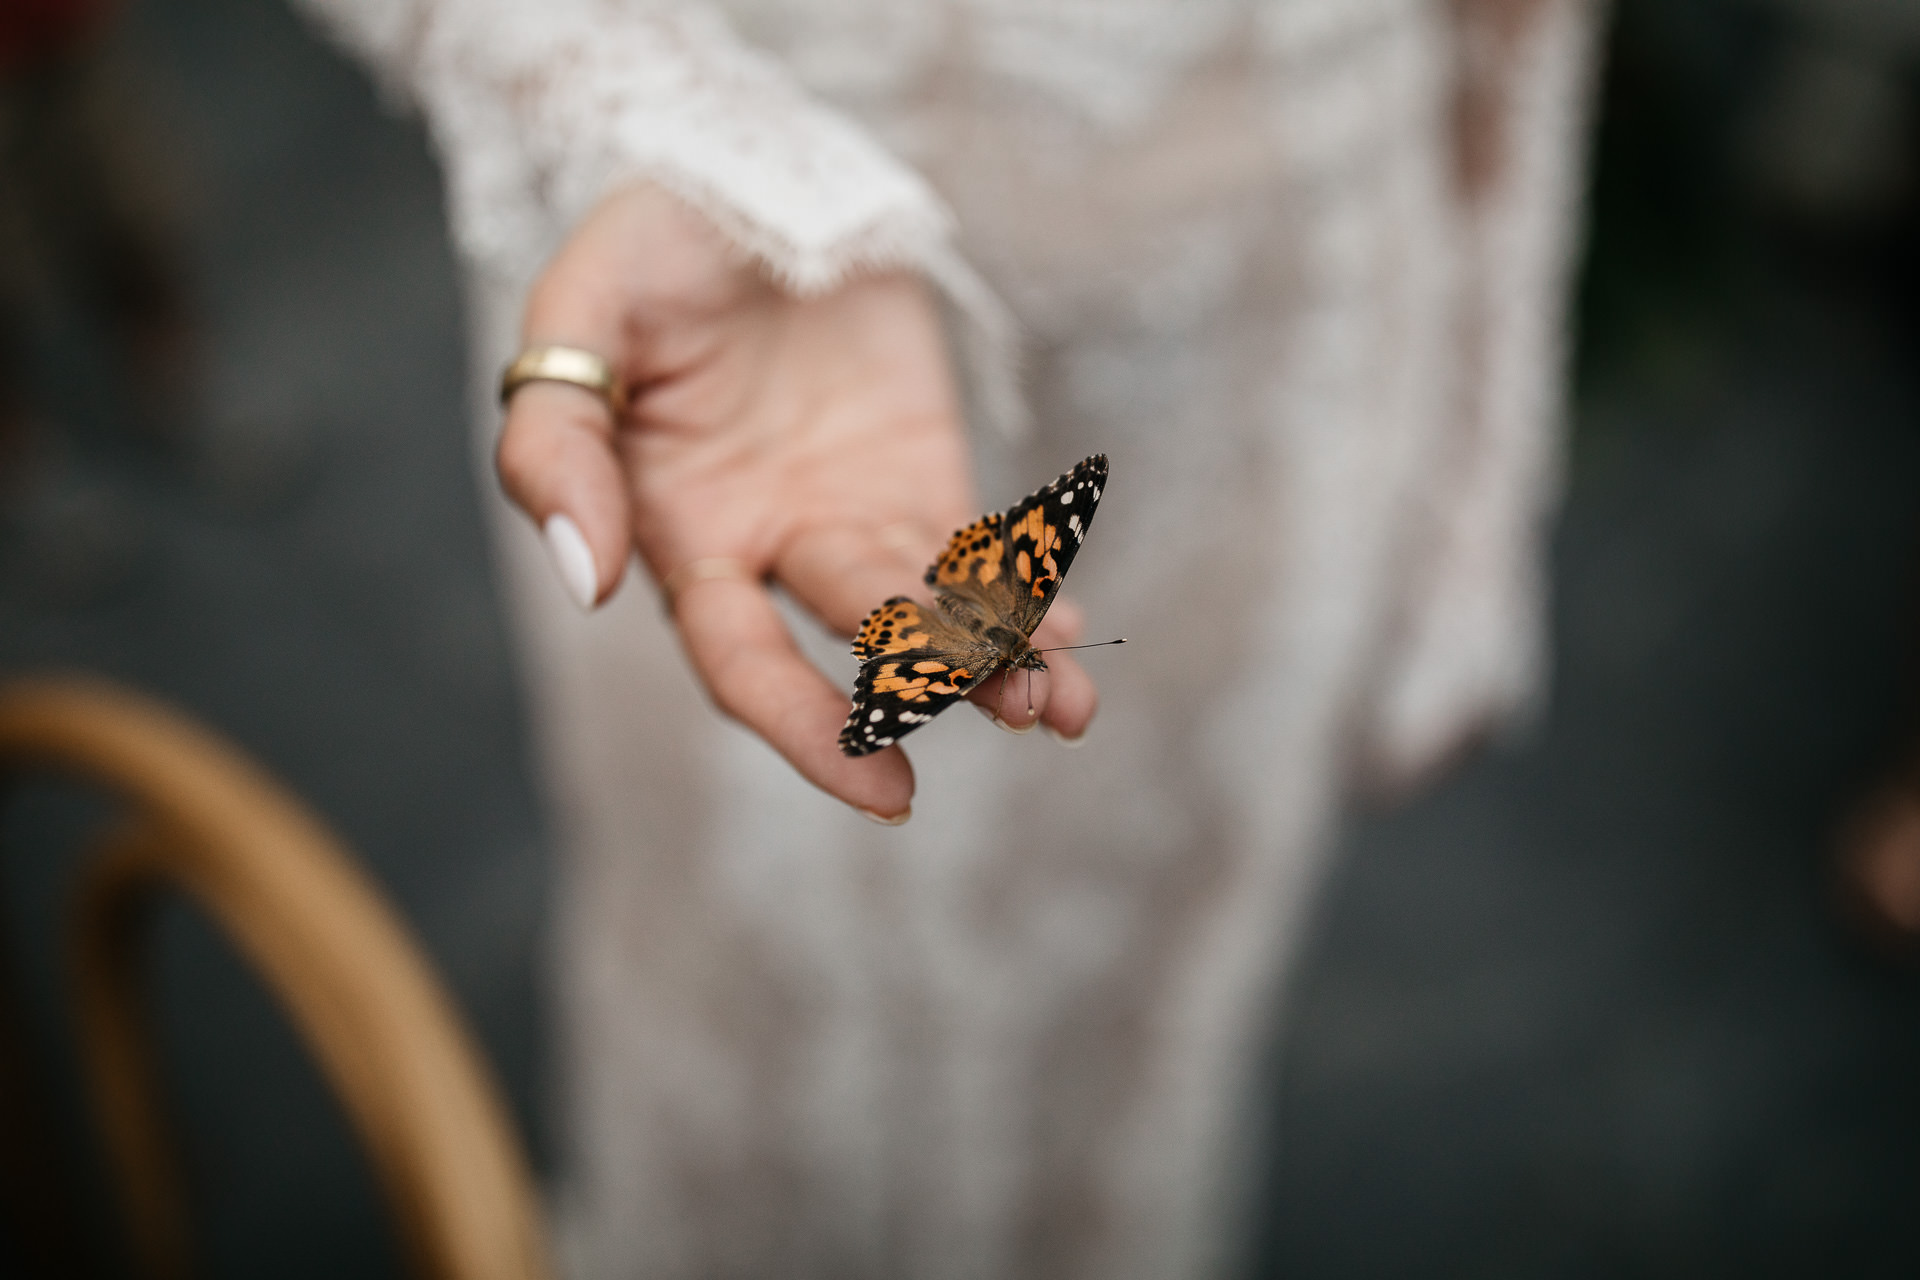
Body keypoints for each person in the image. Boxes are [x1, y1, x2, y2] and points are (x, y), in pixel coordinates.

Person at [293, 1, 1603, 1275]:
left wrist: (1480, 476)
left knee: (1130, 1051)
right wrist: (624, 107)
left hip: (1265, 348)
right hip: (714, 333)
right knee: (730, 1012)